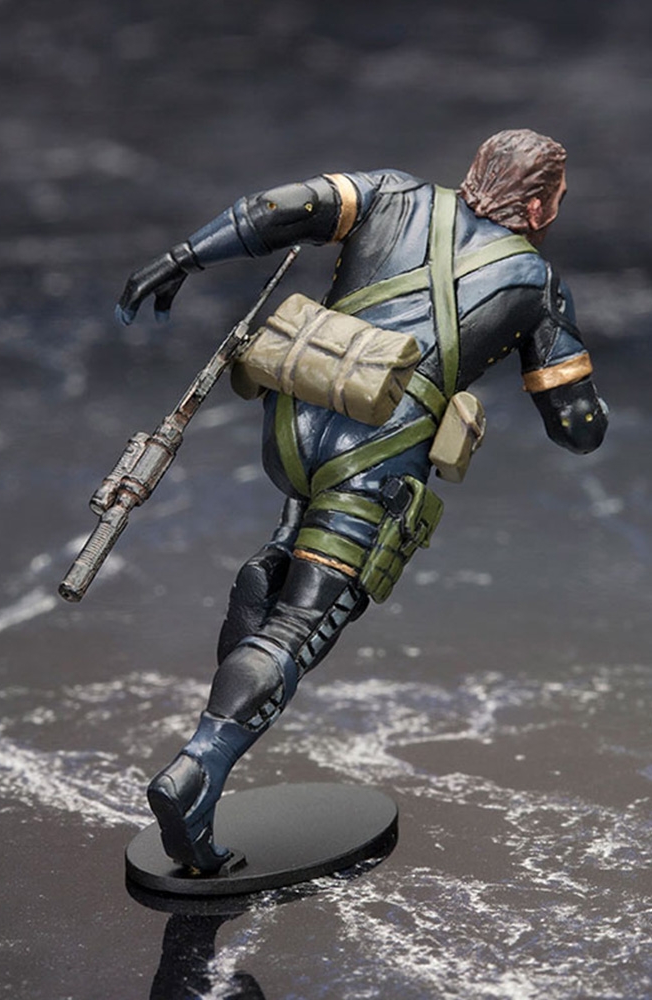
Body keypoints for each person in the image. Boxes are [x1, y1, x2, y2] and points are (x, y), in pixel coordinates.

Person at [117, 129, 608, 872]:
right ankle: (197, 770)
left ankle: (274, 569)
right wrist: (577, 388)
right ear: (538, 208)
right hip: (373, 460)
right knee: (302, 625)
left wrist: (183, 256)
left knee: (289, 553)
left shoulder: (390, 191)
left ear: (475, 173)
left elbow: (275, 209)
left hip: (292, 424)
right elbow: (576, 429)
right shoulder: (536, 283)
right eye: (558, 199)